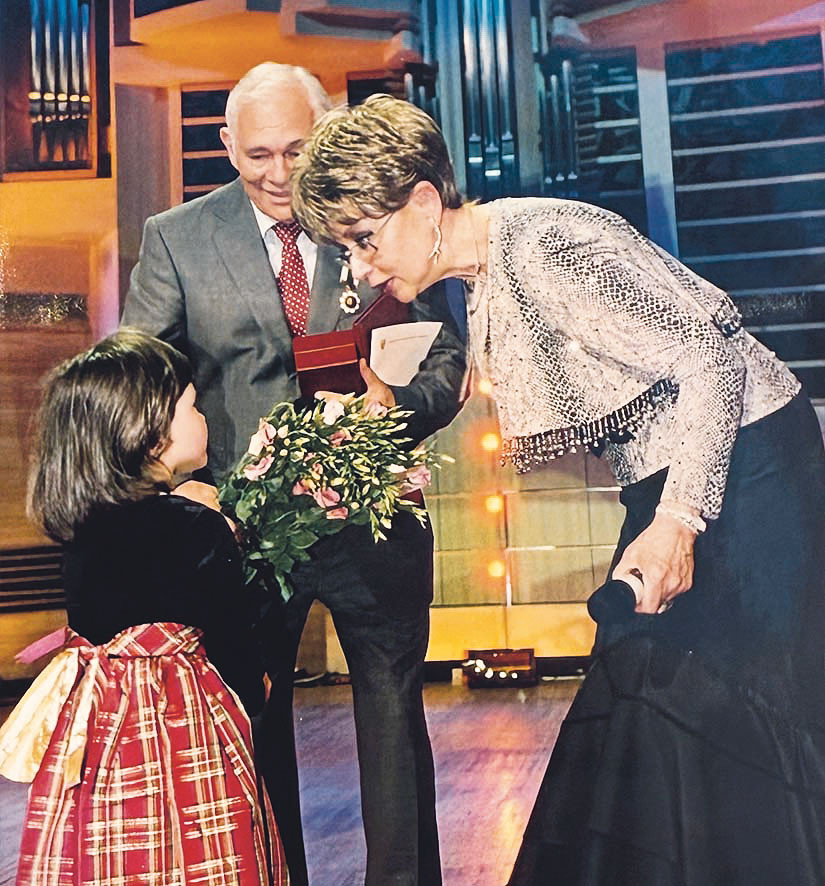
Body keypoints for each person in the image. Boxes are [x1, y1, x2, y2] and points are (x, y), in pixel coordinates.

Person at [291, 94, 825, 885]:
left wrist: (678, 521)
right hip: (678, 478)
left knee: (715, 705)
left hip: (749, 474)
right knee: (647, 702)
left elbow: (710, 360)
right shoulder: (484, 272)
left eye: (364, 239)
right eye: (346, 249)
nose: (362, 269)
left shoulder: (541, 244)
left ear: (425, 201)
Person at [123, 64, 466, 886]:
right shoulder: (175, 237)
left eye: (297, 150)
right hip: (241, 533)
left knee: (393, 717)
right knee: (255, 723)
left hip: (375, 522)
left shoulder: (374, 215)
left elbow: (448, 356)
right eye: (258, 155)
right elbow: (136, 376)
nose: (279, 174)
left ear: (328, 130)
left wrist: (396, 409)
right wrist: (171, 485)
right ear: (225, 146)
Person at [0, 329, 287, 886]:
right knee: (199, 841)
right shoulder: (196, 526)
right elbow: (233, 642)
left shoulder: (82, 529)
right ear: (152, 436)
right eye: (192, 407)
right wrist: (255, 690)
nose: (203, 417)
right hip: (184, 722)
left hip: (99, 726)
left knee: (105, 840)